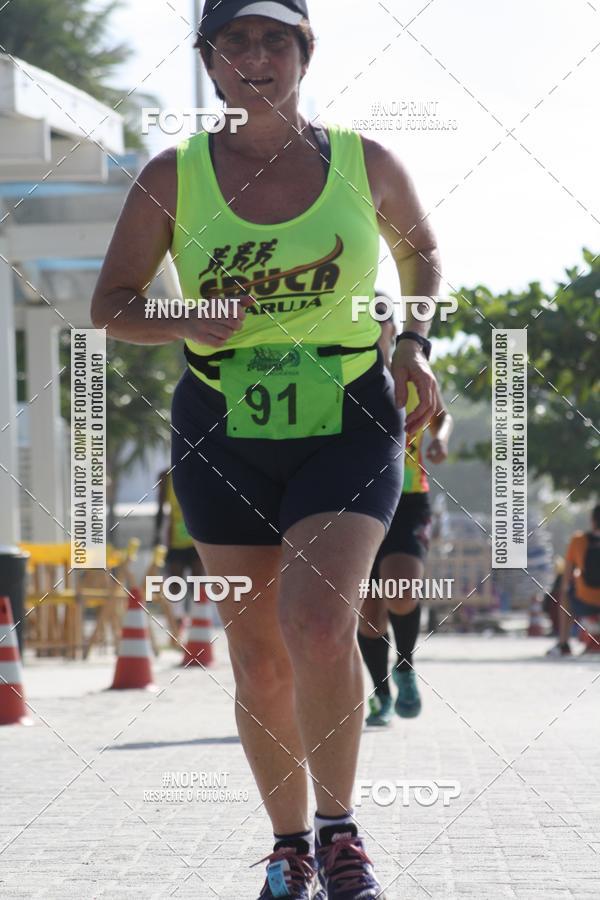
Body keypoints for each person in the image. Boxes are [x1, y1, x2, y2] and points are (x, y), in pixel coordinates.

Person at [91, 2, 441, 896]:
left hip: (348, 415)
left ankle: (339, 832)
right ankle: (288, 846)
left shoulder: (367, 163)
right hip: (222, 427)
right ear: (209, 63)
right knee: (259, 654)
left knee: (320, 624)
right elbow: (113, 305)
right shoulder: (173, 177)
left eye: (275, 39)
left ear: (305, 55)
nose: (256, 56)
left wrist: (414, 344)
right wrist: (185, 316)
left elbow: (423, 257)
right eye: (234, 42)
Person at [358, 299, 452, 726]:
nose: (378, 328)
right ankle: (380, 694)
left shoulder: (410, 372)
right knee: (368, 610)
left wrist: (440, 439)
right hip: (350, 500)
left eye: (383, 320)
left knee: (399, 588)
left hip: (407, 498)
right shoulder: (341, 373)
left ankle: (407, 667)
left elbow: (441, 415)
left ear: (396, 327)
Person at [154, 468, 204, 635]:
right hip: (175, 540)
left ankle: (199, 622)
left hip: (197, 539)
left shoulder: (198, 471)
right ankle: (178, 623)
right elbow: (160, 509)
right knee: (175, 584)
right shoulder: (165, 477)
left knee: (197, 583)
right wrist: (157, 534)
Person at [547, 505, 600, 657]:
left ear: (592, 521)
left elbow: (566, 579)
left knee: (565, 595)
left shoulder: (578, 540)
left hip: (585, 600)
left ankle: (563, 643)